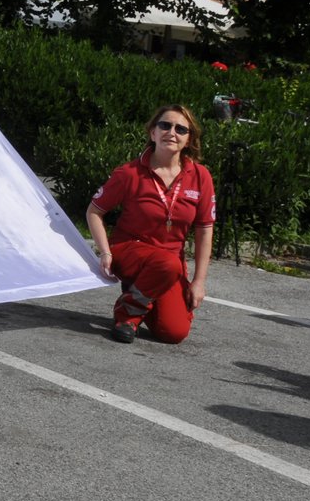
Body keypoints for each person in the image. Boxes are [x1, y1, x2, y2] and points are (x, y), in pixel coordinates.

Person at [85, 104, 215, 344]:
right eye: (165, 125)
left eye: (181, 129)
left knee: (173, 332)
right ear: (152, 132)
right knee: (165, 263)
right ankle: (127, 314)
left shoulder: (200, 176)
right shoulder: (130, 173)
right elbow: (94, 211)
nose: (172, 132)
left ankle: (144, 292)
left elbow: (204, 229)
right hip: (130, 250)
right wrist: (104, 252)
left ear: (189, 140)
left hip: (169, 263)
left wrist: (199, 281)